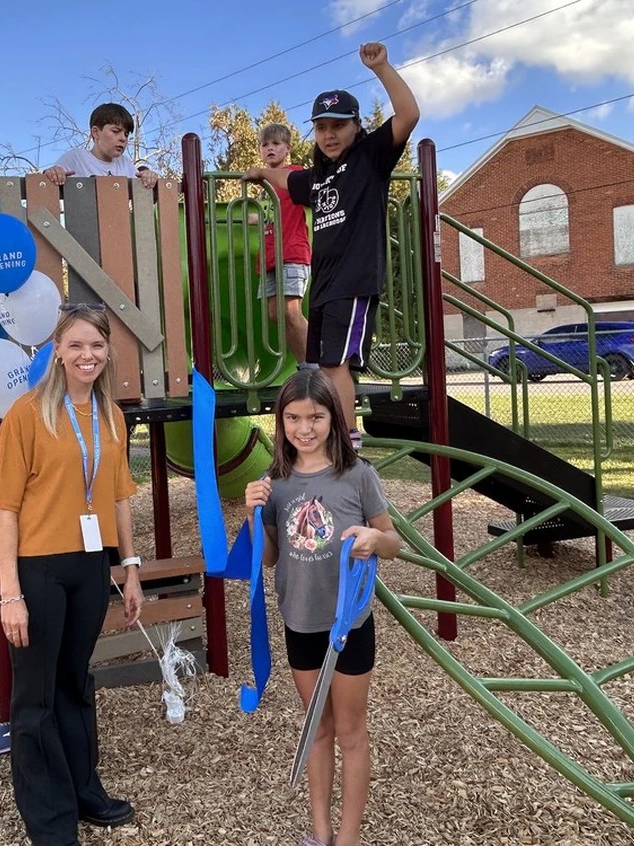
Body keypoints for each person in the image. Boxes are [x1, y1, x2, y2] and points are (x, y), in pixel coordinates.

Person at [0, 302, 145, 846]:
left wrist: (130, 568)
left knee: (76, 683)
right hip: (38, 570)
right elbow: (5, 507)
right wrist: (10, 594)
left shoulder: (111, 416)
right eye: (76, 345)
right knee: (36, 696)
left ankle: (84, 790)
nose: (87, 355)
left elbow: (120, 497)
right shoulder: (27, 415)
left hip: (89, 564)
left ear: (107, 352)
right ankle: (49, 818)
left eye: (97, 345)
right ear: (56, 349)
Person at [244, 368, 401, 846]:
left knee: (351, 730)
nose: (304, 428)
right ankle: (320, 832)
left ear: (334, 417)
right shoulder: (275, 483)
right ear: (281, 421)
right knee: (317, 726)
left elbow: (393, 541)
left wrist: (376, 540)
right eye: (293, 417)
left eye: (315, 416)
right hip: (301, 621)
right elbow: (268, 558)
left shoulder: (358, 475)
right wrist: (250, 513)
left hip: (349, 623)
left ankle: (349, 838)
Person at [244, 42, 420, 451]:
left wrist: (382, 68)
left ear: (356, 127)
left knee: (337, 364)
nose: (329, 134)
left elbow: (409, 115)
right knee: (324, 363)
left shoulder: (370, 158)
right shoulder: (319, 176)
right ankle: (336, 435)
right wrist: (263, 172)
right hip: (324, 284)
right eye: (322, 127)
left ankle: (347, 440)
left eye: (338, 126)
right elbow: (289, 181)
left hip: (354, 279)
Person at [248, 122, 312, 367]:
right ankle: (305, 363)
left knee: (291, 312)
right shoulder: (264, 188)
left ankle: (314, 364)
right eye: (265, 145)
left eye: (276, 144)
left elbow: (302, 199)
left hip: (292, 252)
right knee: (276, 314)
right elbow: (273, 213)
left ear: (287, 148)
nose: (270, 149)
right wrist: (254, 218)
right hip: (270, 257)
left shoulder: (293, 175)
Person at [43, 102, 160, 189]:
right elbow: (45, 181)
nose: (123, 138)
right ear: (96, 132)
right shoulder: (76, 158)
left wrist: (148, 176)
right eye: (115, 131)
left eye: (126, 134)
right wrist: (53, 173)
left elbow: (142, 186)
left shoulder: (125, 163)